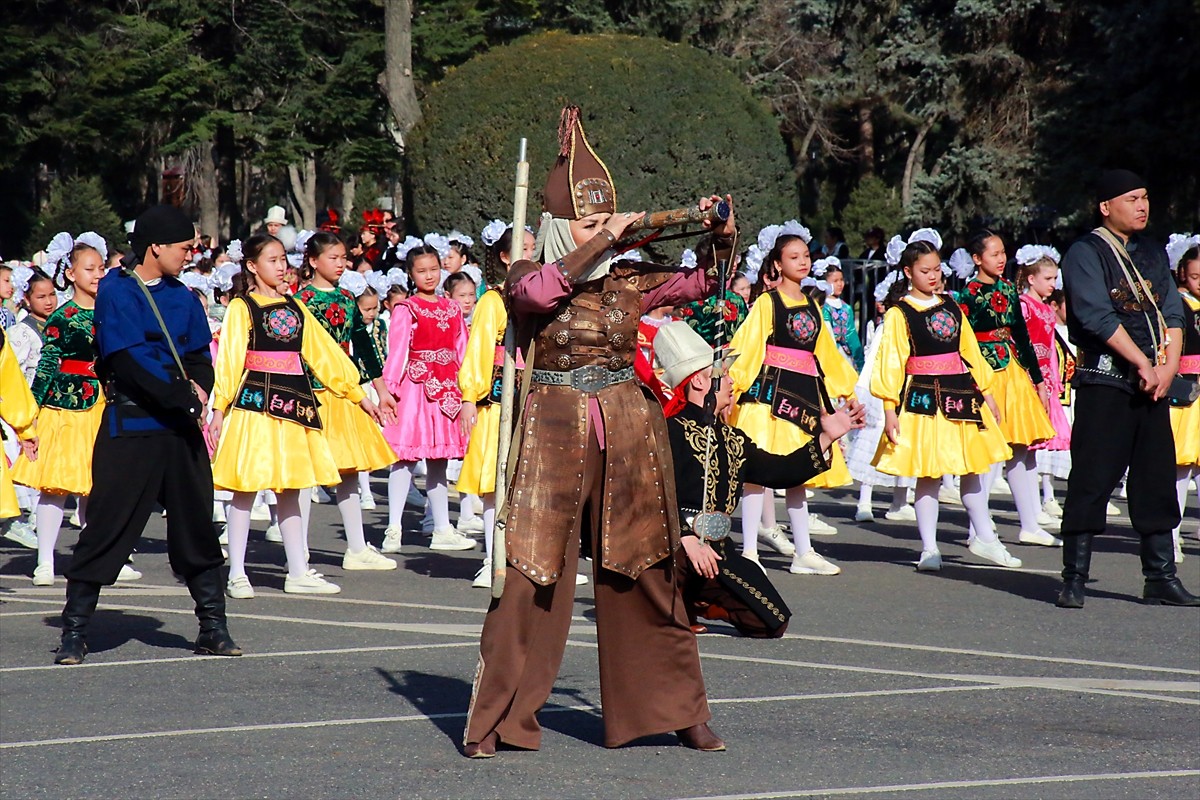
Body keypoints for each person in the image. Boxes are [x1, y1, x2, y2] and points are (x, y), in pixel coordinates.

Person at [463, 106, 732, 757]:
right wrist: (604, 239)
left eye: (602, 219)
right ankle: (499, 719)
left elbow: (704, 280)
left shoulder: (630, 276)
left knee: (647, 567)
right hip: (552, 433)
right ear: (557, 227)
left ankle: (676, 711)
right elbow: (537, 298)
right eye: (584, 222)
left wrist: (720, 229)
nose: (599, 230)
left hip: (628, 428)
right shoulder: (527, 273)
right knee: (529, 574)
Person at [54, 204, 242, 665]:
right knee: (106, 526)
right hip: (133, 425)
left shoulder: (184, 295)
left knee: (198, 526)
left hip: (180, 431)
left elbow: (199, 355)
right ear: (156, 246)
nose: (189, 255)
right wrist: (182, 395)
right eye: (184, 247)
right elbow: (126, 359)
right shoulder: (116, 289)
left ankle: (212, 627)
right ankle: (75, 631)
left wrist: (200, 385)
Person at [654, 321, 863, 636]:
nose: (730, 380)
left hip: (718, 549)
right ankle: (669, 600)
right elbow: (650, 494)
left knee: (771, 622)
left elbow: (778, 471)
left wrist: (825, 437)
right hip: (674, 548)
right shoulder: (667, 431)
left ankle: (695, 600)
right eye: (722, 375)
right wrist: (683, 537)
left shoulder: (733, 438)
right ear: (699, 381)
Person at [209, 234, 390, 598]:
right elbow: (229, 361)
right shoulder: (243, 308)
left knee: (292, 487)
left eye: (283, 260)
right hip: (255, 403)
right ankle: (238, 572)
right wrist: (219, 409)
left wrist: (359, 395)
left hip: (294, 403)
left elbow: (326, 355)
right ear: (252, 266)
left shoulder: (295, 306)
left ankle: (297, 570)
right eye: (272, 260)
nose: (281, 266)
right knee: (246, 488)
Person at [1056, 169, 1197, 607]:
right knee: (1092, 478)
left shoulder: (1153, 252)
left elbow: (1173, 314)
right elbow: (1097, 316)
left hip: (1153, 385)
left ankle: (1159, 576)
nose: (1142, 205)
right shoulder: (1085, 252)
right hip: (1106, 381)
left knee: (1155, 478)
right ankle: (1074, 577)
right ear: (1105, 206)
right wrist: (1142, 362)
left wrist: (1168, 368)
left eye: (1145, 197)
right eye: (1132, 198)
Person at [872, 239, 1022, 570]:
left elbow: (970, 350)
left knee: (973, 467)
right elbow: (892, 362)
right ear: (909, 272)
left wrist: (988, 393)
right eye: (925, 270)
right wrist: (888, 409)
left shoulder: (952, 306)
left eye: (937, 269)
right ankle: (929, 548)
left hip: (961, 394)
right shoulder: (901, 313)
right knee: (929, 474)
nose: (933, 276)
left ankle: (984, 537)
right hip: (923, 398)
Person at [728, 224, 858, 574]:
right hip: (768, 399)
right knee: (758, 473)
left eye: (806, 255)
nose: (802, 261)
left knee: (801, 471)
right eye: (794, 257)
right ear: (778, 264)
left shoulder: (813, 306)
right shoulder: (767, 303)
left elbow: (827, 354)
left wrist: (848, 390)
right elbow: (747, 346)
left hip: (803, 395)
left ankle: (804, 552)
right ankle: (751, 550)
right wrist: (732, 386)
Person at [13, 232, 119, 587]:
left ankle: (94, 558)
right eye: (89, 269)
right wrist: (30, 414)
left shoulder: (111, 312)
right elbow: (46, 366)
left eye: (101, 268)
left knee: (97, 487)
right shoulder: (63, 317)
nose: (97, 275)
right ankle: (45, 560)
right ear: (71, 273)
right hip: (64, 407)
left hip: (102, 405)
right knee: (55, 487)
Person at [295, 232, 398, 570]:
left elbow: (363, 348)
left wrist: (382, 391)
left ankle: (356, 547)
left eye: (343, 258)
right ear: (313, 261)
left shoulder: (346, 299)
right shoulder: (302, 302)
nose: (341, 264)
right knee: (305, 474)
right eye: (333, 258)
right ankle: (299, 552)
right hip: (311, 391)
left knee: (348, 470)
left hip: (344, 392)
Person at [953, 232, 1060, 548]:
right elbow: (963, 342)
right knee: (988, 451)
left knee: (1020, 447)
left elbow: (1023, 338)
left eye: (1003, 253)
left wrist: (1038, 381)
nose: (1001, 259)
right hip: (985, 374)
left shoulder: (1008, 291)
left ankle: (1029, 523)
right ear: (977, 259)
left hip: (1012, 372)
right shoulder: (968, 295)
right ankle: (978, 528)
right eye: (994, 253)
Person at [457, 223, 539, 587]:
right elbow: (477, 349)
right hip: (499, 398)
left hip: (535, 394)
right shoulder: (493, 299)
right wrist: (469, 397)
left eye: (533, 247)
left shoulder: (540, 295)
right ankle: (492, 557)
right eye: (522, 247)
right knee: (496, 478)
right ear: (505, 256)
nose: (530, 253)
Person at [380, 246, 474, 553]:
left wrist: (468, 389)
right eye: (422, 271)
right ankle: (393, 527)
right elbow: (397, 352)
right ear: (411, 273)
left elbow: (463, 349)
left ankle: (442, 527)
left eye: (433, 269)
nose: (429, 275)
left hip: (448, 387)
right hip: (416, 387)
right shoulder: (406, 309)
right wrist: (390, 390)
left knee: (439, 460)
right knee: (405, 457)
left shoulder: (451, 308)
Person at [1016, 246, 1072, 524]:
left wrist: (1053, 381)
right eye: (1048, 279)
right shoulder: (1024, 307)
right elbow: (1021, 346)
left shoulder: (1045, 310)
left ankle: (1034, 510)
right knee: (1018, 447)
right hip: (1027, 381)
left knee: (1032, 451)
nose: (1053, 285)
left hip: (1044, 382)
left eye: (1054, 279)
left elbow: (1049, 349)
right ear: (1031, 279)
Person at [1166, 235, 1199, 561]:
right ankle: (1171, 536)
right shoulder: (1178, 306)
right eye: (1195, 277)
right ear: (1183, 276)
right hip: (1188, 397)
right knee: (1181, 468)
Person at [816, 257, 864, 370]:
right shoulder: (821, 306)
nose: (840, 284)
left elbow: (851, 334)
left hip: (844, 354)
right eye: (835, 281)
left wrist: (859, 360)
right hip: (825, 354)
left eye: (841, 280)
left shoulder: (846, 308)